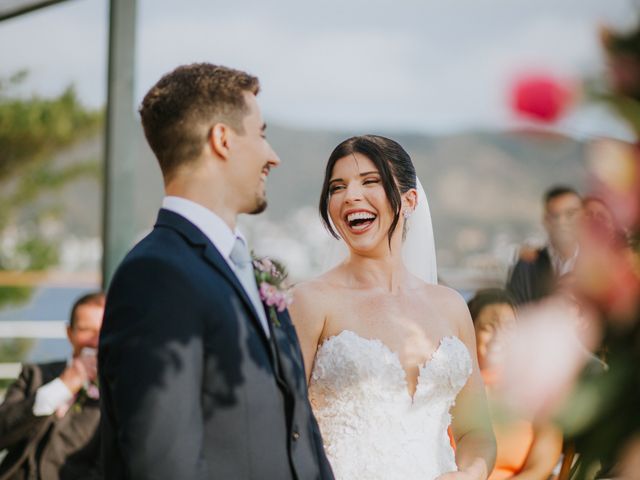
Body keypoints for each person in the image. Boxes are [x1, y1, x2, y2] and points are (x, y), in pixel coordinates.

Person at [98, 63, 334, 480]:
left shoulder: (249, 268)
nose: (273, 156)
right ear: (222, 140)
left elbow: (300, 432)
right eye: (261, 134)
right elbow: (164, 463)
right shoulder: (156, 278)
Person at [291, 135, 496, 480]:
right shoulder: (310, 301)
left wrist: (470, 474)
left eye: (370, 181)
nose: (351, 195)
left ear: (410, 200)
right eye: (337, 187)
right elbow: (283, 427)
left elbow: (476, 432)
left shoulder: (451, 307)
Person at [0, 292, 104, 480]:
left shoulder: (117, 391)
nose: (94, 341)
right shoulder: (34, 375)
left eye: (101, 332)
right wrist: (61, 387)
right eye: (85, 330)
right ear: (69, 333)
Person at [467, 289, 563, 480]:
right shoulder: (456, 389)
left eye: (509, 328)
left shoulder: (534, 390)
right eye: (488, 327)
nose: (499, 336)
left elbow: (541, 466)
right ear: (469, 331)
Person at [506, 186, 583, 306]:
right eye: (555, 216)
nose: (562, 222)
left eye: (570, 214)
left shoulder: (595, 266)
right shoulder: (527, 266)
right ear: (545, 220)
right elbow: (515, 312)